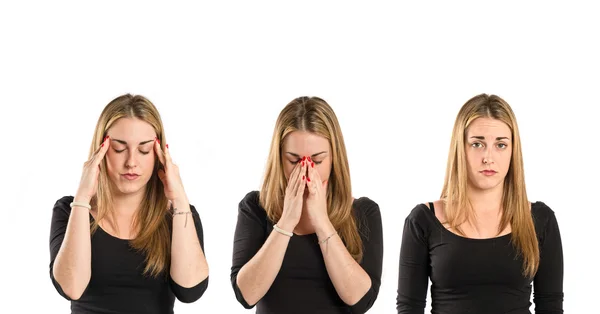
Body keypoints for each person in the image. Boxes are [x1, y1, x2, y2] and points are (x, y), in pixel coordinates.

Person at [396, 94, 564, 313]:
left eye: (501, 145)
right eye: (477, 144)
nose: (488, 157)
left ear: (513, 151)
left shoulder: (540, 219)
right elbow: (409, 308)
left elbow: (550, 305)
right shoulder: (424, 219)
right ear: (460, 149)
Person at [49, 94, 209, 313]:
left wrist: (179, 198)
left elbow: (190, 290)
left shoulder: (180, 215)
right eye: (119, 148)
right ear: (101, 151)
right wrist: (83, 197)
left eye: (144, 150)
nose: (131, 162)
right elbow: (71, 287)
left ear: (159, 154)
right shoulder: (70, 210)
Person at [230, 96, 383, 313]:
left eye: (317, 160)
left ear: (334, 159)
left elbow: (360, 300)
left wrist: (321, 221)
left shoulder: (363, 212)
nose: (306, 170)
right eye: (294, 160)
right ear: (279, 158)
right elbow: (246, 295)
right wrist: (287, 222)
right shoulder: (255, 207)